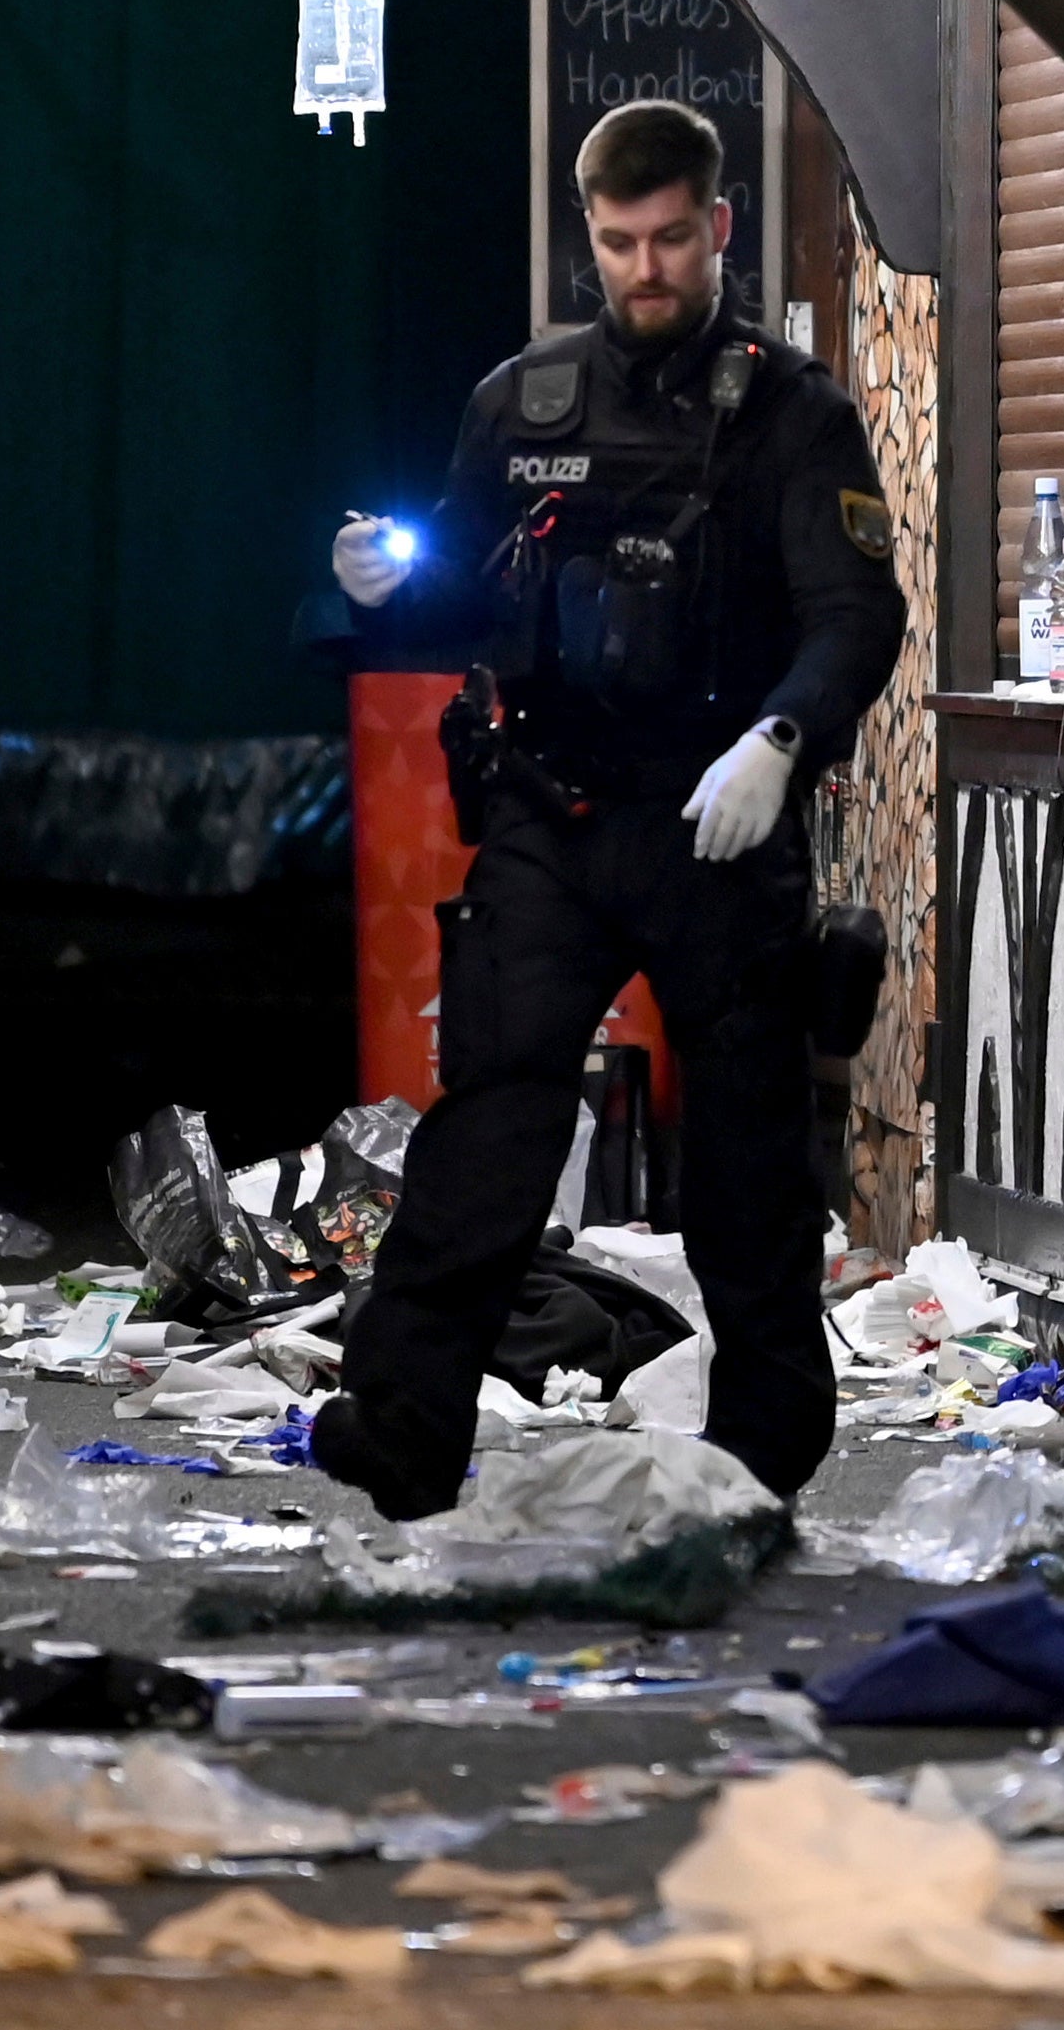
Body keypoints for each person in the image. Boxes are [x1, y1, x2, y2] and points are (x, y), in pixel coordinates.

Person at [309, 96, 901, 1518]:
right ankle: (399, 1431)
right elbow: (468, 586)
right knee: (488, 1136)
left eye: (672, 239)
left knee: (747, 1167)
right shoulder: (525, 402)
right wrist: (384, 584)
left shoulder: (790, 413)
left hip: (718, 828)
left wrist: (779, 737)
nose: (647, 268)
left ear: (719, 226)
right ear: (589, 234)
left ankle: (762, 1459)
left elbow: (854, 612)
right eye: (620, 241)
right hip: (552, 821)